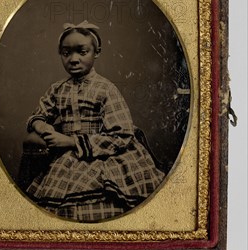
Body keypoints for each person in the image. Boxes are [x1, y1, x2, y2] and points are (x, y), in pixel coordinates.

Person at [25, 20, 165, 222]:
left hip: (105, 157)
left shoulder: (106, 89)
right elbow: (38, 115)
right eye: (66, 53)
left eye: (82, 52)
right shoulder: (58, 88)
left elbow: (122, 134)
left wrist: (71, 141)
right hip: (67, 158)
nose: (73, 59)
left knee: (98, 196)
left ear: (96, 52)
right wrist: (42, 125)